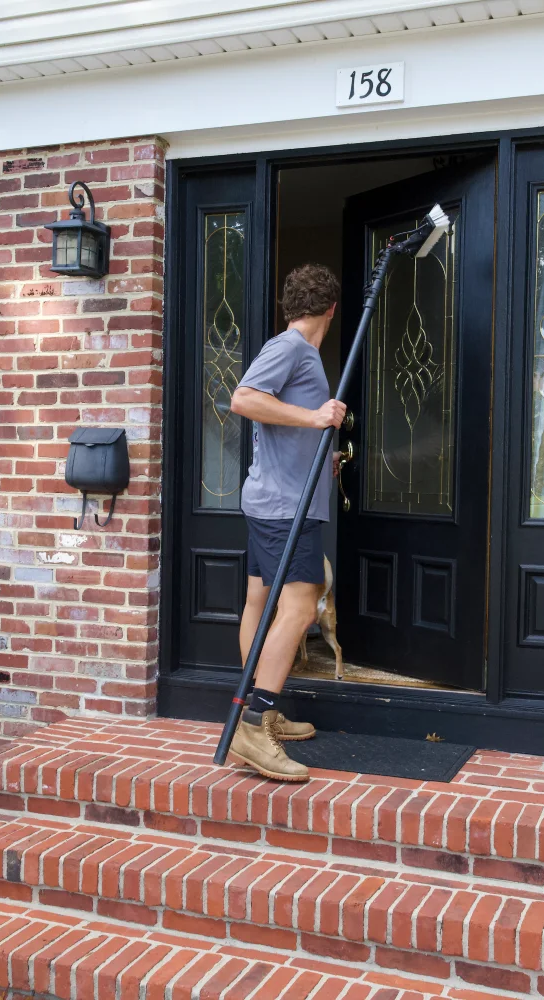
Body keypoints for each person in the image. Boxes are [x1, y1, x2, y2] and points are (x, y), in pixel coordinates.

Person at [224, 263, 346, 783]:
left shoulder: (298, 353)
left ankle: (259, 711)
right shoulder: (292, 347)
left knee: (259, 600)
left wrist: (322, 450)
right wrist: (317, 418)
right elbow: (245, 399)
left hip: (273, 499)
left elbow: (279, 420)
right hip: (284, 508)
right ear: (332, 310)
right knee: (299, 607)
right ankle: (254, 726)